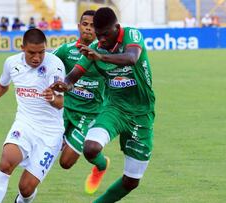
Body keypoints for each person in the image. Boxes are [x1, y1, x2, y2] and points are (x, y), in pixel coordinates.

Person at [51, 7, 155, 202]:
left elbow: (131, 58)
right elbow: (73, 75)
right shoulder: (97, 47)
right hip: (115, 109)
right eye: (99, 36)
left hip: (142, 113)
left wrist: (101, 57)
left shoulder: (131, 35)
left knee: (131, 181)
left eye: (105, 34)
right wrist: (64, 84)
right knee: (90, 148)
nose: (102, 40)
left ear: (116, 27)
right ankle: (100, 166)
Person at [0, 28, 65, 203]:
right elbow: (1, 87)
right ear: (22, 47)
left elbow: (60, 101)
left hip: (50, 134)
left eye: (41, 52)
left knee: (26, 188)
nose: (37, 57)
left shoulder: (55, 65)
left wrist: (52, 97)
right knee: (6, 162)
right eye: (32, 53)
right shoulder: (11, 63)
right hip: (25, 124)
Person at [52, 9, 110, 195]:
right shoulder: (66, 51)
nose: (88, 29)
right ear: (78, 27)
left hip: (89, 114)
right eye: (85, 24)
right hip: (64, 110)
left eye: (93, 26)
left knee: (66, 163)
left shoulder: (104, 55)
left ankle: (102, 165)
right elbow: (47, 63)